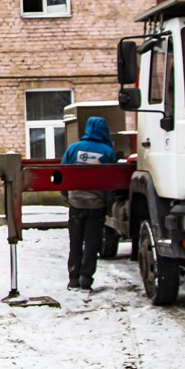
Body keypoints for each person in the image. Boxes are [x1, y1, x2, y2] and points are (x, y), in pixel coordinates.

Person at [61, 116, 117, 291]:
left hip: (76, 204)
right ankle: (86, 278)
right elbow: (112, 181)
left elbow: (62, 173)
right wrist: (108, 204)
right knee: (92, 243)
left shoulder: (73, 148)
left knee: (75, 243)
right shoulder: (107, 151)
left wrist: (68, 196)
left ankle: (73, 278)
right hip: (96, 205)